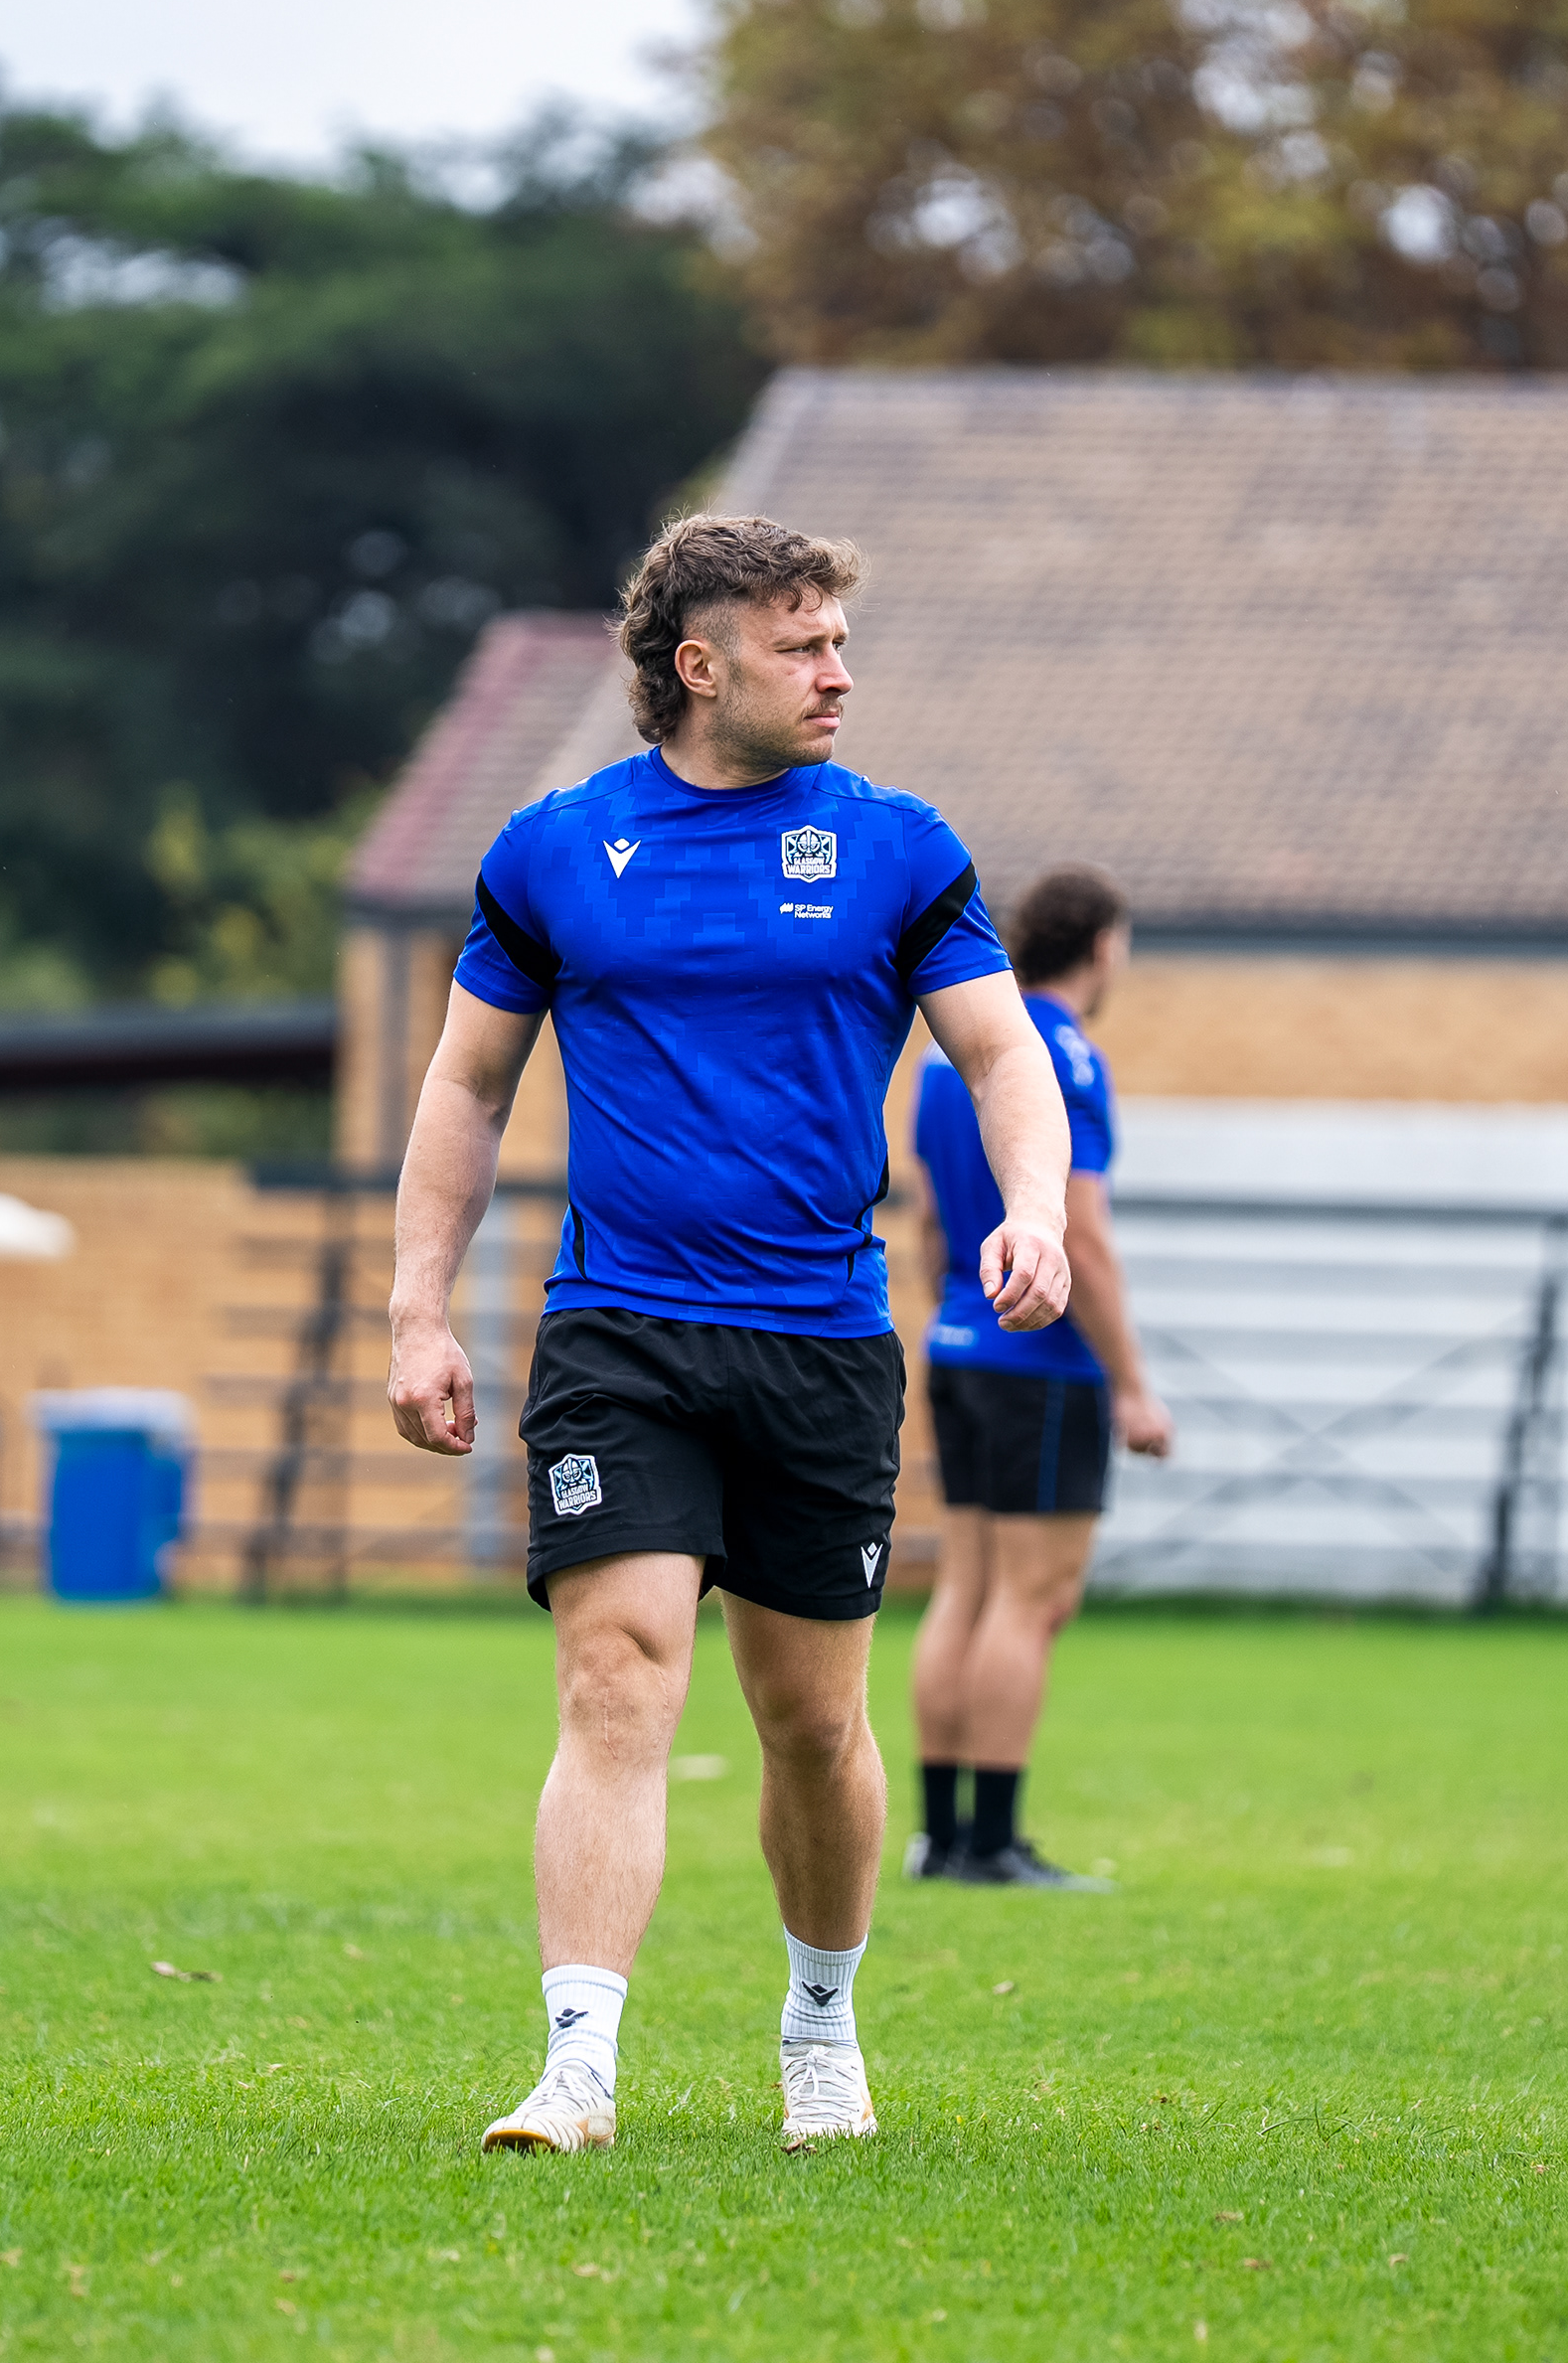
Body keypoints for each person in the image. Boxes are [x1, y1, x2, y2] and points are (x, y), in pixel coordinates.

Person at [386, 514, 1075, 2157]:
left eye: (839, 640)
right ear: (700, 666)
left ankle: (820, 2026)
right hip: (620, 1335)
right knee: (616, 1677)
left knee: (812, 1725)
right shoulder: (554, 852)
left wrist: (1034, 1208)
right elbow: (466, 1085)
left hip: (821, 1345)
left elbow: (1002, 1056)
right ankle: (578, 2069)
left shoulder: (900, 848)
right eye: (800, 644)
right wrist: (418, 1308)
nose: (837, 672)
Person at [906, 865, 1173, 1892]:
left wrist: (954, 1312)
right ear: (1103, 944)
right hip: (1043, 1362)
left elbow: (929, 1218)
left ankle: (941, 1837)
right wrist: (1132, 1383)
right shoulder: (1062, 1055)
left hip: (958, 1344)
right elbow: (1083, 1237)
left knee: (967, 1588)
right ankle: (994, 1843)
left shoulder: (946, 1056)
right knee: (1033, 1600)